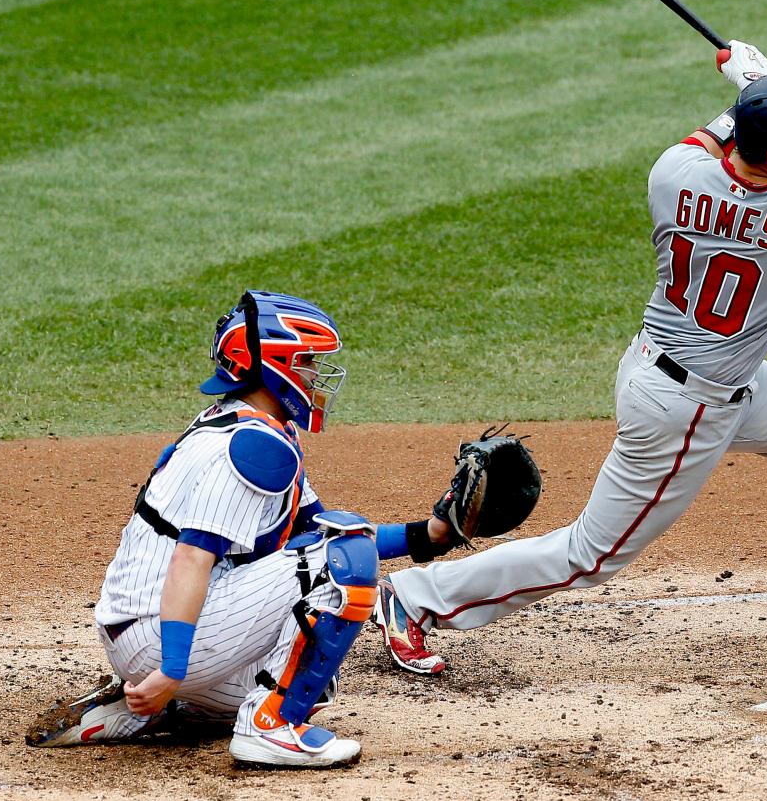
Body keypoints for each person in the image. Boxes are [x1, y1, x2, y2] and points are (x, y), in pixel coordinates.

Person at [373, 42, 767, 676]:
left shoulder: (672, 175)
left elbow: (714, 143)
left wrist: (747, 97)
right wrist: (756, 82)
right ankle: (415, 599)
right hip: (687, 407)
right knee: (592, 556)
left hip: (668, 364)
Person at [27, 291, 461, 768]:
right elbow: (193, 557)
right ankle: (269, 729)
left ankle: (156, 710)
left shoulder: (245, 424)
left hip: (138, 627)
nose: (317, 375)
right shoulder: (255, 446)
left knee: (310, 674)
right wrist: (171, 667)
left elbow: (314, 528)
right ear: (274, 365)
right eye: (307, 361)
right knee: (345, 565)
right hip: (160, 635)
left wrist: (431, 535)